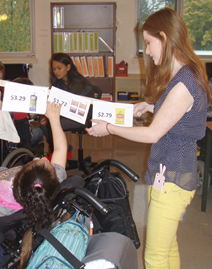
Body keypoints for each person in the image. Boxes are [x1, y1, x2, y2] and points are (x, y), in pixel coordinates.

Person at [86, 8, 209, 269]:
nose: (148, 52)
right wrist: (149, 105)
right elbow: (181, 116)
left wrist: (109, 128)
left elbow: (153, 133)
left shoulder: (183, 84)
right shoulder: (187, 74)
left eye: (149, 44)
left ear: (164, 37)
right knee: (168, 247)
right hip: (173, 174)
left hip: (172, 179)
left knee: (154, 258)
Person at [40, 52, 97, 154]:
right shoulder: (61, 82)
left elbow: (70, 108)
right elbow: (55, 102)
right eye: (54, 69)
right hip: (70, 113)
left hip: (83, 116)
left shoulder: (77, 84)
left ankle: (60, 154)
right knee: (44, 123)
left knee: (51, 124)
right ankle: (63, 147)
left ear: (68, 67)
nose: (56, 71)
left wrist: (52, 117)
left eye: (59, 68)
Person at [11, 77, 44, 155]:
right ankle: (38, 154)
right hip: (19, 142)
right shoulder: (21, 112)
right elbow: (26, 136)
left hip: (11, 138)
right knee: (39, 131)